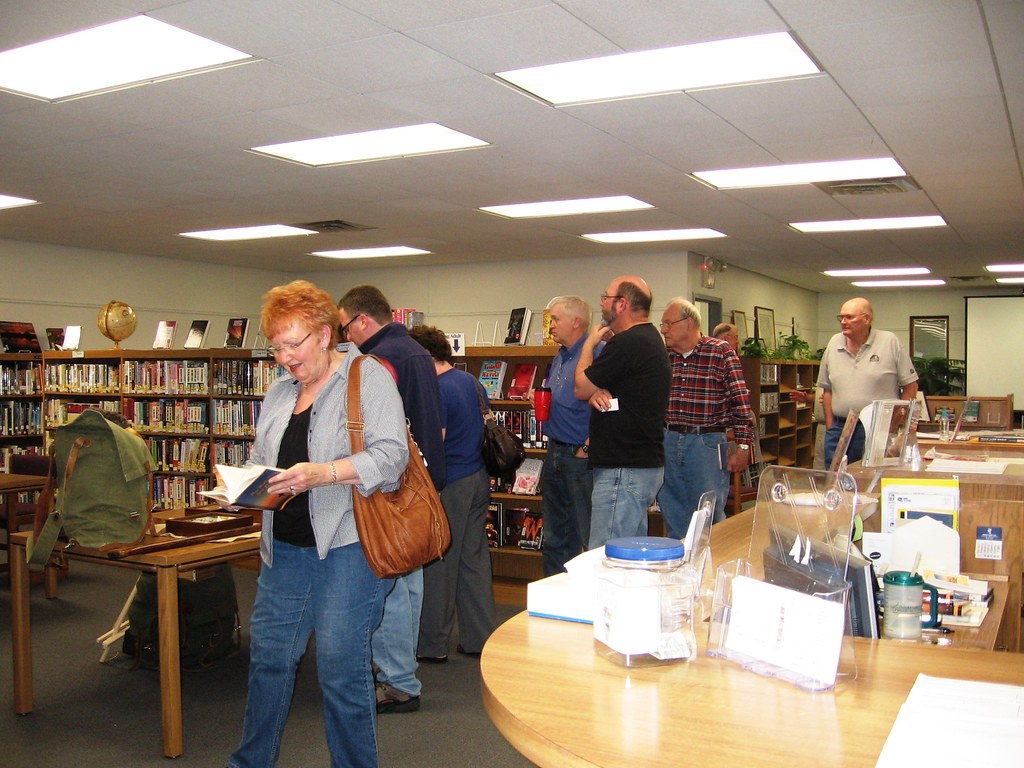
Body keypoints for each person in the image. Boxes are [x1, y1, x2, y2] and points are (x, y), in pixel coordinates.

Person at [228, 279, 409, 768]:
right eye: (276, 348)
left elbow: (392, 458)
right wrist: (243, 487)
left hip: (347, 548)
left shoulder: (367, 377)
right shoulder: (279, 391)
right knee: (268, 662)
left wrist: (322, 474)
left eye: (293, 344)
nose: (284, 358)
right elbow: (265, 460)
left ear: (326, 335)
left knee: (340, 671)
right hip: (283, 549)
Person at [337, 285, 446, 715]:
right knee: (409, 581)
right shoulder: (417, 352)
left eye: (345, 327)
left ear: (362, 320)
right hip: (419, 485)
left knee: (390, 585)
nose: (345, 337)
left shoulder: (376, 362)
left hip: (390, 486)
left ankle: (398, 680)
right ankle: (403, 671)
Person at [407, 325, 496, 662]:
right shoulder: (469, 381)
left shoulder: (436, 389)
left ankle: (431, 645)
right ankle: (479, 637)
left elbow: (436, 440)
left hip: (450, 484)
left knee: (439, 564)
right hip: (477, 477)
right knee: (473, 561)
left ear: (424, 356)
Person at [574, 276, 670, 549]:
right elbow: (612, 391)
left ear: (622, 304)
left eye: (606, 297)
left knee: (607, 554)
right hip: (637, 465)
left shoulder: (629, 343)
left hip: (623, 468)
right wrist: (596, 392)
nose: (602, 303)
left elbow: (580, 387)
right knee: (628, 554)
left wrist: (589, 345)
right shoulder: (647, 339)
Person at [658, 299, 755, 536]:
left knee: (708, 515)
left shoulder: (720, 352)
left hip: (706, 444)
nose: (663, 330)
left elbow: (740, 401)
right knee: (673, 512)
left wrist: (743, 446)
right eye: (662, 324)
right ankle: (680, 557)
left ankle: (710, 558)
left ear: (689, 323)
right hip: (668, 439)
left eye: (668, 324)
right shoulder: (665, 356)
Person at [817, 297, 919, 468]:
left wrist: (896, 425)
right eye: (841, 317)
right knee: (835, 477)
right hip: (840, 428)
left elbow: (911, 386)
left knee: (870, 476)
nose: (843, 322)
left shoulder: (889, 341)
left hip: (878, 429)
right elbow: (827, 390)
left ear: (867, 318)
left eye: (849, 317)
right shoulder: (834, 343)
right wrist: (830, 425)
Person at [540, 295, 598, 575]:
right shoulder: (560, 355)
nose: (550, 325)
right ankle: (554, 591)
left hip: (579, 456)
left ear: (576, 322)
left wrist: (588, 446)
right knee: (554, 537)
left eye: (555, 319)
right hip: (555, 451)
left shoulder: (597, 352)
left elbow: (611, 402)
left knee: (585, 534)